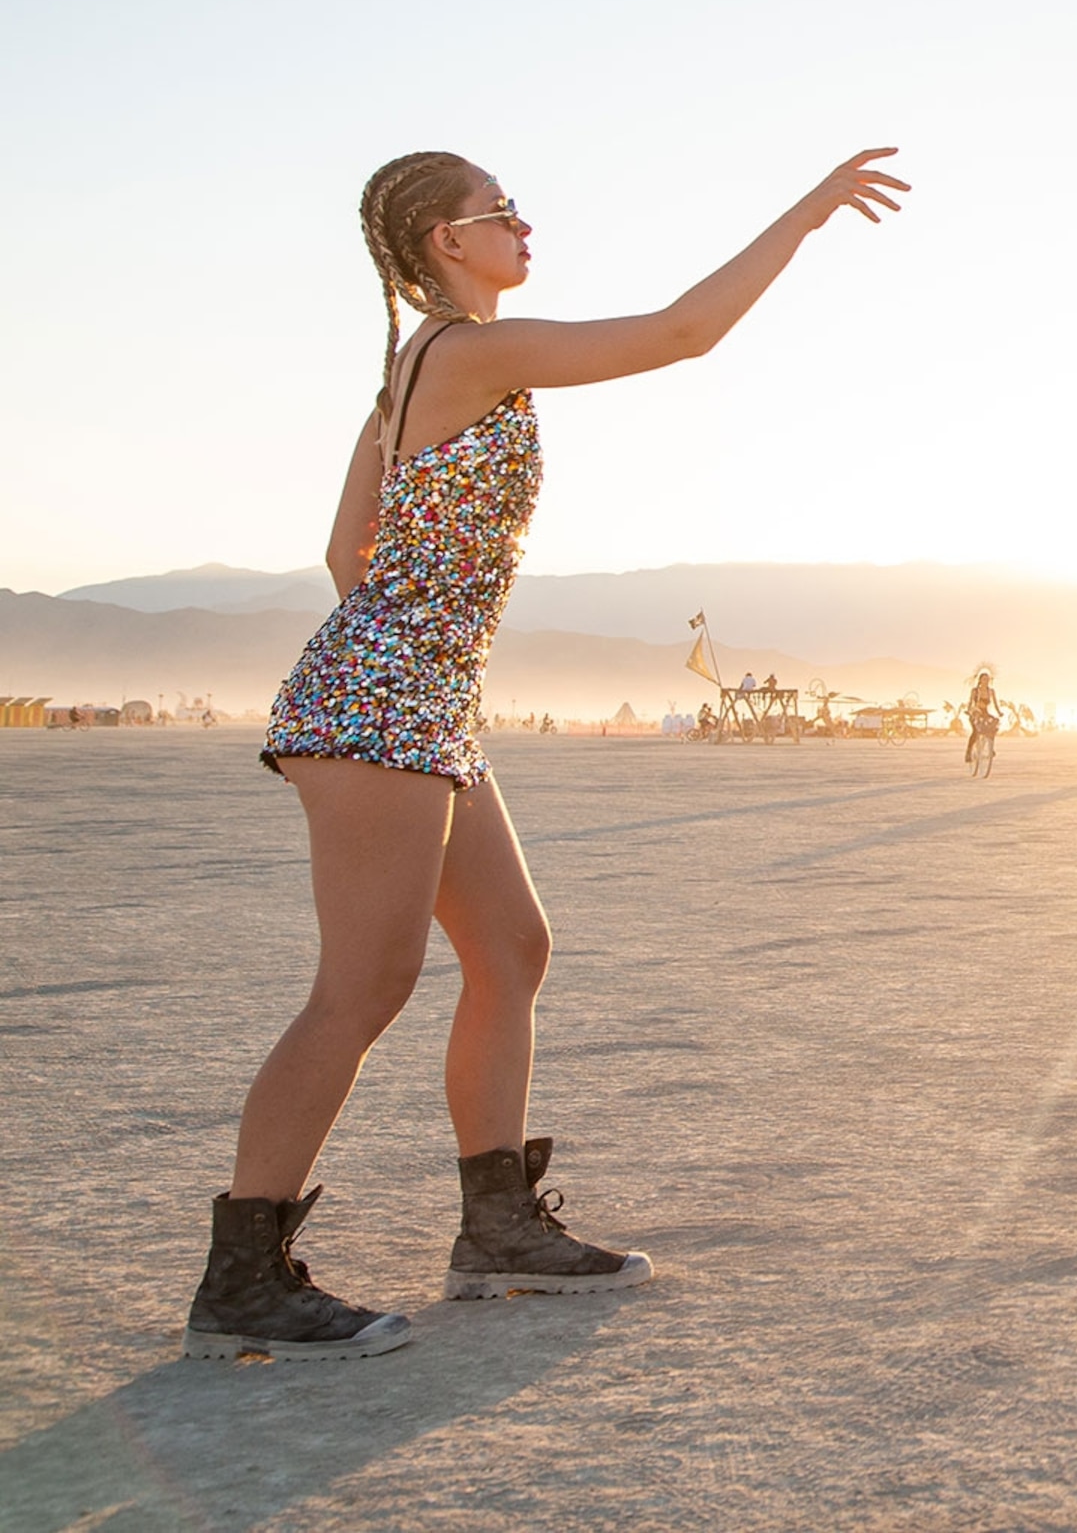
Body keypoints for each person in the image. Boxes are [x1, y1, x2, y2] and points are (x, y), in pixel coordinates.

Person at [192, 143, 907, 1362]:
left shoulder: (407, 372)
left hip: (415, 694)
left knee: (512, 946)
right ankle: (243, 1278)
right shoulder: (466, 350)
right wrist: (809, 211)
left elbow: (341, 549)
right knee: (363, 986)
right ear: (444, 242)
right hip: (386, 701)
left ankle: (497, 1228)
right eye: (502, 212)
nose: (526, 228)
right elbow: (683, 332)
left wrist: (419, 643)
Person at [965, 669, 1002, 766]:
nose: (986, 681)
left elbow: (995, 703)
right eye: (984, 679)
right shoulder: (975, 691)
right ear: (980, 680)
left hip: (985, 713)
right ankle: (968, 752)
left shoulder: (991, 691)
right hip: (975, 712)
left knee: (993, 725)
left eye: (987, 679)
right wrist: (969, 710)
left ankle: (990, 747)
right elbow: (970, 702)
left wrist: (999, 712)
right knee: (975, 731)